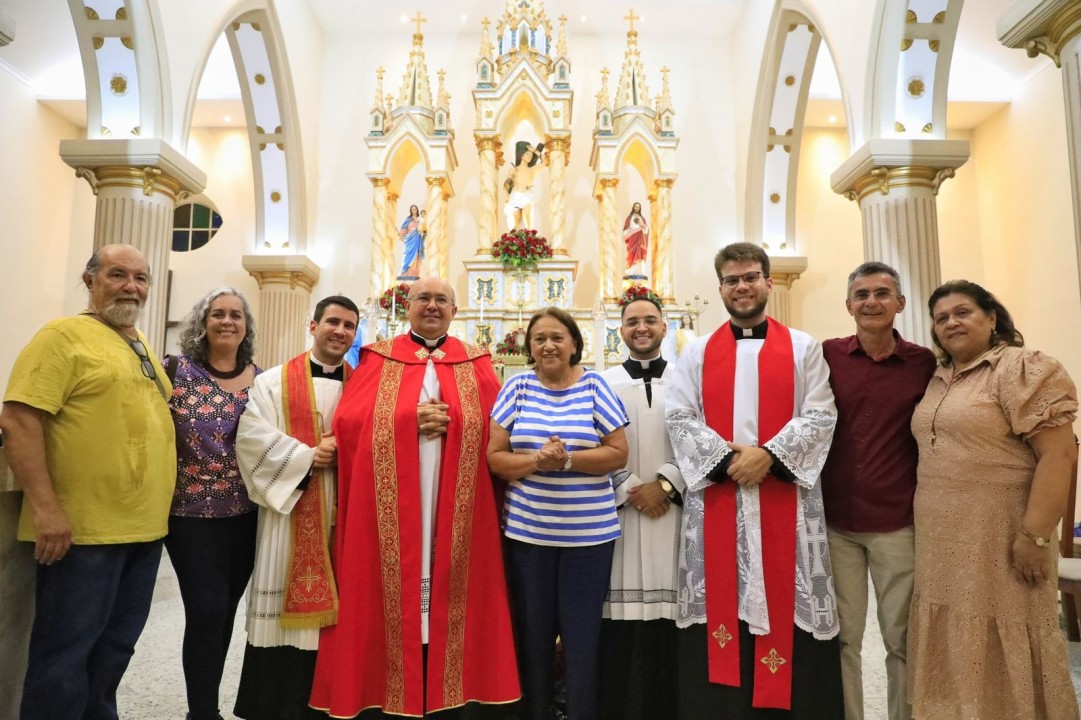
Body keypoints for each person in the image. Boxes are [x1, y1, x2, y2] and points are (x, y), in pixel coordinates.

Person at [310, 277, 519, 719]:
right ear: (407, 306)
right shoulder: (379, 358)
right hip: (395, 504)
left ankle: (454, 688)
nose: (432, 306)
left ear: (455, 311)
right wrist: (407, 420)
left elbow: (500, 429)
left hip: (454, 502)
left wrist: (453, 424)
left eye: (441, 300)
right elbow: (349, 423)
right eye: (423, 298)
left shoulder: (476, 362)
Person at [665, 242, 843, 719]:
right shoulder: (698, 351)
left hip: (784, 495)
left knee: (787, 607)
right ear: (720, 287)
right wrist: (728, 461)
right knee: (720, 610)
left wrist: (769, 456)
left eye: (750, 277)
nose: (741, 287)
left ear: (767, 281)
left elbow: (821, 416)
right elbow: (680, 416)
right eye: (731, 280)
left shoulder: (804, 347)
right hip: (722, 496)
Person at [0, 244, 175, 720]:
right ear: (90, 280)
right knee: (64, 656)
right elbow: (18, 419)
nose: (131, 287)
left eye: (141, 278)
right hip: (82, 534)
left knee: (115, 652)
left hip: (142, 531)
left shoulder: (138, 344)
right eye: (118, 275)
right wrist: (46, 508)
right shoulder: (61, 337)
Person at [908, 280, 1079, 720]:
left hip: (1001, 537)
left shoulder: (1020, 369)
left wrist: (1035, 535)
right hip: (942, 544)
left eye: (962, 312)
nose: (951, 323)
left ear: (992, 318)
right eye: (941, 318)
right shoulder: (938, 378)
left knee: (1008, 634)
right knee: (954, 637)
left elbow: (1059, 454)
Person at [488, 306, 630, 720]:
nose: (548, 345)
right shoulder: (516, 387)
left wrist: (566, 461)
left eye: (557, 337)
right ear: (529, 347)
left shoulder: (595, 386)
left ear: (573, 344)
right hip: (529, 538)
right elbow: (495, 458)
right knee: (532, 637)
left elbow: (619, 453)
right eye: (539, 339)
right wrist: (537, 460)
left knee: (582, 638)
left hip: (589, 541)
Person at [233, 295, 359, 720]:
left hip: (344, 518)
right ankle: (273, 705)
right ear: (313, 325)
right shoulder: (272, 383)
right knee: (281, 612)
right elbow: (250, 438)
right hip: (289, 515)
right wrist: (308, 456)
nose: (340, 331)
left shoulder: (364, 386)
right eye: (333, 322)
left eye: (349, 326)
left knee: (338, 619)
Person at [819, 262, 935, 720]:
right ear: (848, 305)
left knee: (902, 637)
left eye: (882, 293)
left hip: (896, 521)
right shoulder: (826, 356)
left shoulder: (924, 364)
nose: (871, 302)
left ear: (900, 304)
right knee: (844, 636)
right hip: (836, 522)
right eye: (862, 294)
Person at [165, 288, 261, 720]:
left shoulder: (262, 380)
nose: (227, 321)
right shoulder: (175, 372)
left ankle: (205, 707)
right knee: (205, 609)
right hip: (189, 514)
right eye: (218, 314)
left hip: (246, 515)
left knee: (223, 614)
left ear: (246, 326)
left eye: (236, 315)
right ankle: (201, 713)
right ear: (203, 323)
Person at [599, 296, 684, 720]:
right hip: (621, 513)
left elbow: (704, 436)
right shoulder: (602, 382)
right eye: (632, 322)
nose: (642, 327)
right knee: (622, 627)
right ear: (621, 330)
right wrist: (631, 487)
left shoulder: (689, 380)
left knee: (671, 626)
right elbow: (590, 438)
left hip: (676, 514)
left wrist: (666, 485)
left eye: (650, 320)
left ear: (665, 327)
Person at [503, 140, 545, 230]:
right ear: (521, 155)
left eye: (531, 155)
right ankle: (514, 240)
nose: (530, 156)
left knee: (526, 215)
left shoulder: (532, 170)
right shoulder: (514, 169)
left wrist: (535, 151)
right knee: (516, 219)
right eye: (527, 154)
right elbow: (506, 184)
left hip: (526, 195)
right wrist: (506, 197)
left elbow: (545, 162)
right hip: (514, 196)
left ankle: (529, 236)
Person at [623, 201, 649, 278]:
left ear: (640, 208)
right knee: (631, 253)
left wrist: (644, 227)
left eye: (638, 207)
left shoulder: (642, 218)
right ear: (633, 207)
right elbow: (625, 229)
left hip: (640, 238)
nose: (637, 208)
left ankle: (639, 271)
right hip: (632, 238)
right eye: (636, 206)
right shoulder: (629, 218)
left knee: (639, 254)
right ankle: (630, 270)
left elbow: (646, 229)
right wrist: (627, 233)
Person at [399, 204, 424, 278]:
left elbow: (423, 228)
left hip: (417, 238)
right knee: (407, 254)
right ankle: (405, 272)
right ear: (410, 211)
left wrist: (422, 232)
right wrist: (401, 235)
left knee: (416, 255)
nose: (413, 211)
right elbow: (403, 229)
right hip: (409, 239)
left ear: (417, 210)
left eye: (415, 209)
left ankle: (414, 273)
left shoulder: (420, 219)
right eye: (412, 209)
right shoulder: (408, 219)